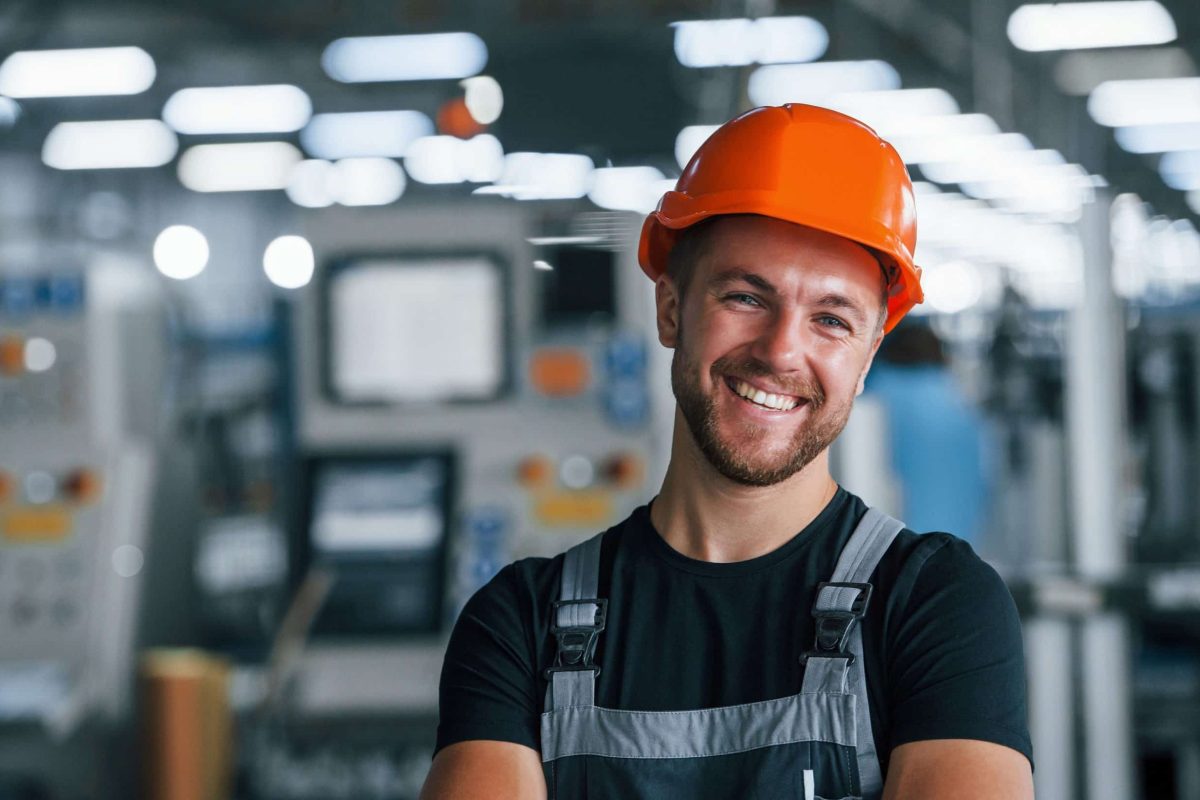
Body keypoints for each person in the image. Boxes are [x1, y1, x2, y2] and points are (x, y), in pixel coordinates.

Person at [421, 104, 1034, 799]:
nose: (780, 351)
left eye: (831, 320)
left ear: (866, 360)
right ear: (671, 310)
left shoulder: (934, 607)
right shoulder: (519, 625)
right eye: (746, 296)